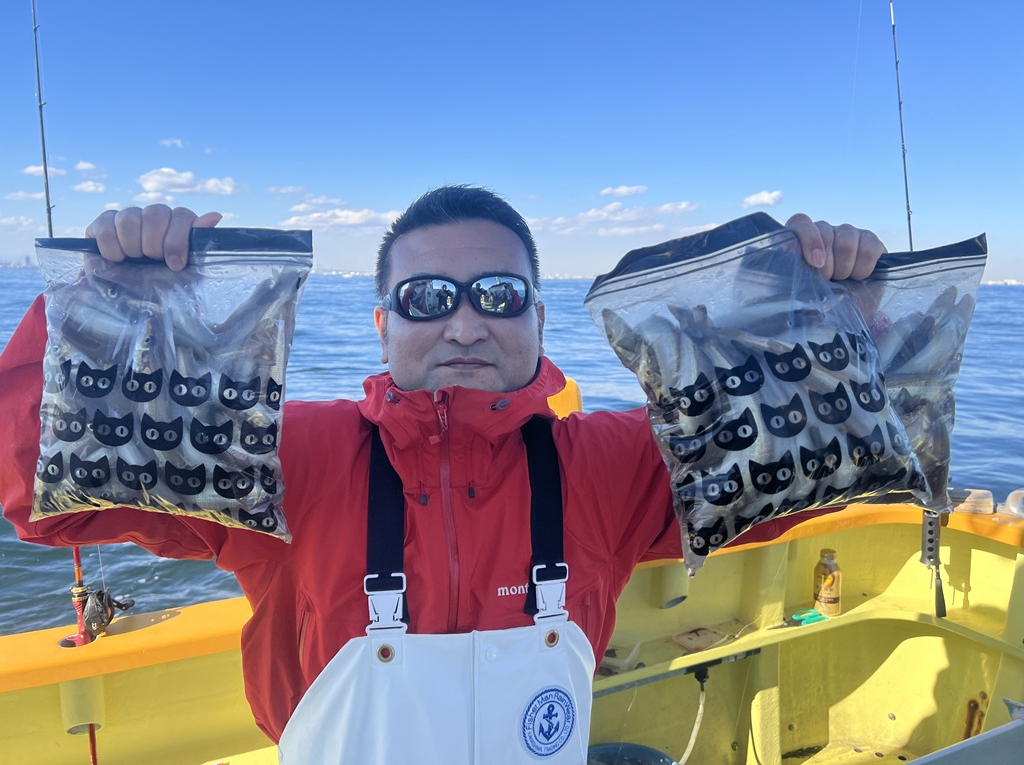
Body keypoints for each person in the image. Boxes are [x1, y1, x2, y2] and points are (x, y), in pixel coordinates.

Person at [0, 185, 885, 762]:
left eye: (498, 295)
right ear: (382, 325)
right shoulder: (283, 455)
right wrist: (102, 309)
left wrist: (835, 322)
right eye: (427, 299)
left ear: (538, 319)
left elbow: (814, 469)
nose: (465, 325)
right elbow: (46, 500)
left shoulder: (612, 465)